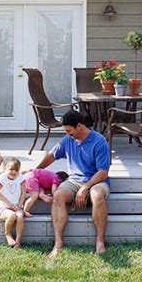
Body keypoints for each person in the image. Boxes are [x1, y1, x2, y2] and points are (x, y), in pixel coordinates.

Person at [35, 110, 111, 256]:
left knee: (96, 195)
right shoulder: (67, 140)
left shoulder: (99, 141)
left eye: (69, 131)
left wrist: (85, 187)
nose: (67, 134)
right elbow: (51, 156)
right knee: (58, 195)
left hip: (96, 181)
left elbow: (103, 172)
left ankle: (100, 241)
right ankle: (58, 243)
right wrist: (36, 170)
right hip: (74, 180)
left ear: (79, 126)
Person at [0, 158, 26, 249]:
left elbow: (24, 192)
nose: (14, 172)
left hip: (16, 205)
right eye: (11, 169)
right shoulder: (3, 177)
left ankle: (18, 241)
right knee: (12, 215)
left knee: (20, 216)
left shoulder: (20, 177)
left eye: (16, 170)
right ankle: (7, 234)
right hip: (4, 206)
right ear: (5, 169)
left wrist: (20, 204)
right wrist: (7, 203)